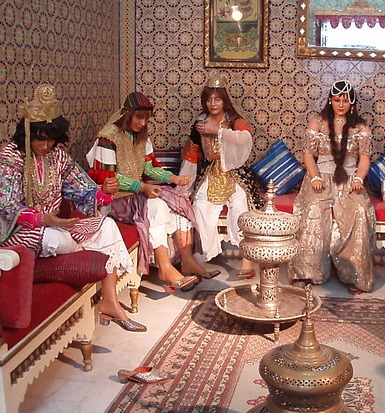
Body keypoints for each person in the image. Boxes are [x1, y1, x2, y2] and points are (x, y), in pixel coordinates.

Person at [0, 84, 145, 332]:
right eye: (40, 138)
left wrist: (103, 191)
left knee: (107, 226)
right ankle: (83, 252)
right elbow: (6, 206)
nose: (45, 145)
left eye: (51, 139)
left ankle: (110, 302)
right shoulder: (10, 158)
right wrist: (43, 220)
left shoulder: (57, 156)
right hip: (20, 232)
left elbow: (82, 189)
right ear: (26, 133)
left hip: (57, 227)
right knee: (58, 239)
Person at [86, 92, 219, 293]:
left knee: (178, 201)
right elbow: (108, 177)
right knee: (157, 205)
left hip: (136, 196)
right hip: (114, 200)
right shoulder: (108, 138)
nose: (143, 123)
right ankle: (165, 268)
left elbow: (149, 168)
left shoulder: (141, 136)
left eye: (146, 119)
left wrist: (172, 178)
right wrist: (141, 187)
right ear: (127, 114)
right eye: (139, 117)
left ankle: (187, 261)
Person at [287, 80, 376, 294]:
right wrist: (315, 177)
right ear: (330, 100)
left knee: (359, 212)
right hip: (320, 177)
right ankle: (307, 272)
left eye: (345, 100)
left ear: (352, 102)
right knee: (314, 209)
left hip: (350, 180)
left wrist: (358, 179)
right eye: (337, 100)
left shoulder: (361, 127)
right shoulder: (317, 122)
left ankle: (354, 274)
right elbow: (308, 155)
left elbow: (364, 159)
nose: (341, 105)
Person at [180, 74, 262, 278]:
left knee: (241, 204)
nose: (213, 104)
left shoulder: (235, 120)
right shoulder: (200, 123)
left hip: (236, 173)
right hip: (211, 172)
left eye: (217, 99)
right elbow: (192, 154)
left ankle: (246, 259)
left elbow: (245, 139)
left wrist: (216, 130)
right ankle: (206, 252)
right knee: (200, 205)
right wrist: (182, 185)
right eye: (209, 99)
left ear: (224, 100)